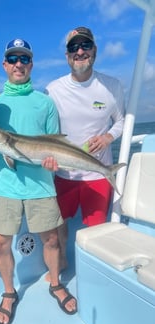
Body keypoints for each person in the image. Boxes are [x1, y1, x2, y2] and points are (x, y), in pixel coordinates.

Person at [0, 38, 77, 324]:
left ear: (31, 64)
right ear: (4, 65)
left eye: (25, 59)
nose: (19, 64)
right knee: (0, 243)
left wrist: (54, 163)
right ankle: (9, 292)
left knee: (52, 239)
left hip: (41, 186)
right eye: (13, 59)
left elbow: (54, 143)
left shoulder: (45, 102)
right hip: (5, 188)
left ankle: (56, 284)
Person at [44, 27, 125, 275]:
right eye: (73, 48)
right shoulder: (52, 89)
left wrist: (109, 136)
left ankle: (92, 272)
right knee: (59, 225)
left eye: (85, 46)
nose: (80, 51)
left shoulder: (112, 86)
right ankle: (64, 261)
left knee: (96, 230)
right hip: (63, 174)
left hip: (98, 175)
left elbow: (121, 121)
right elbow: (43, 126)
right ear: (67, 55)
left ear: (94, 51)